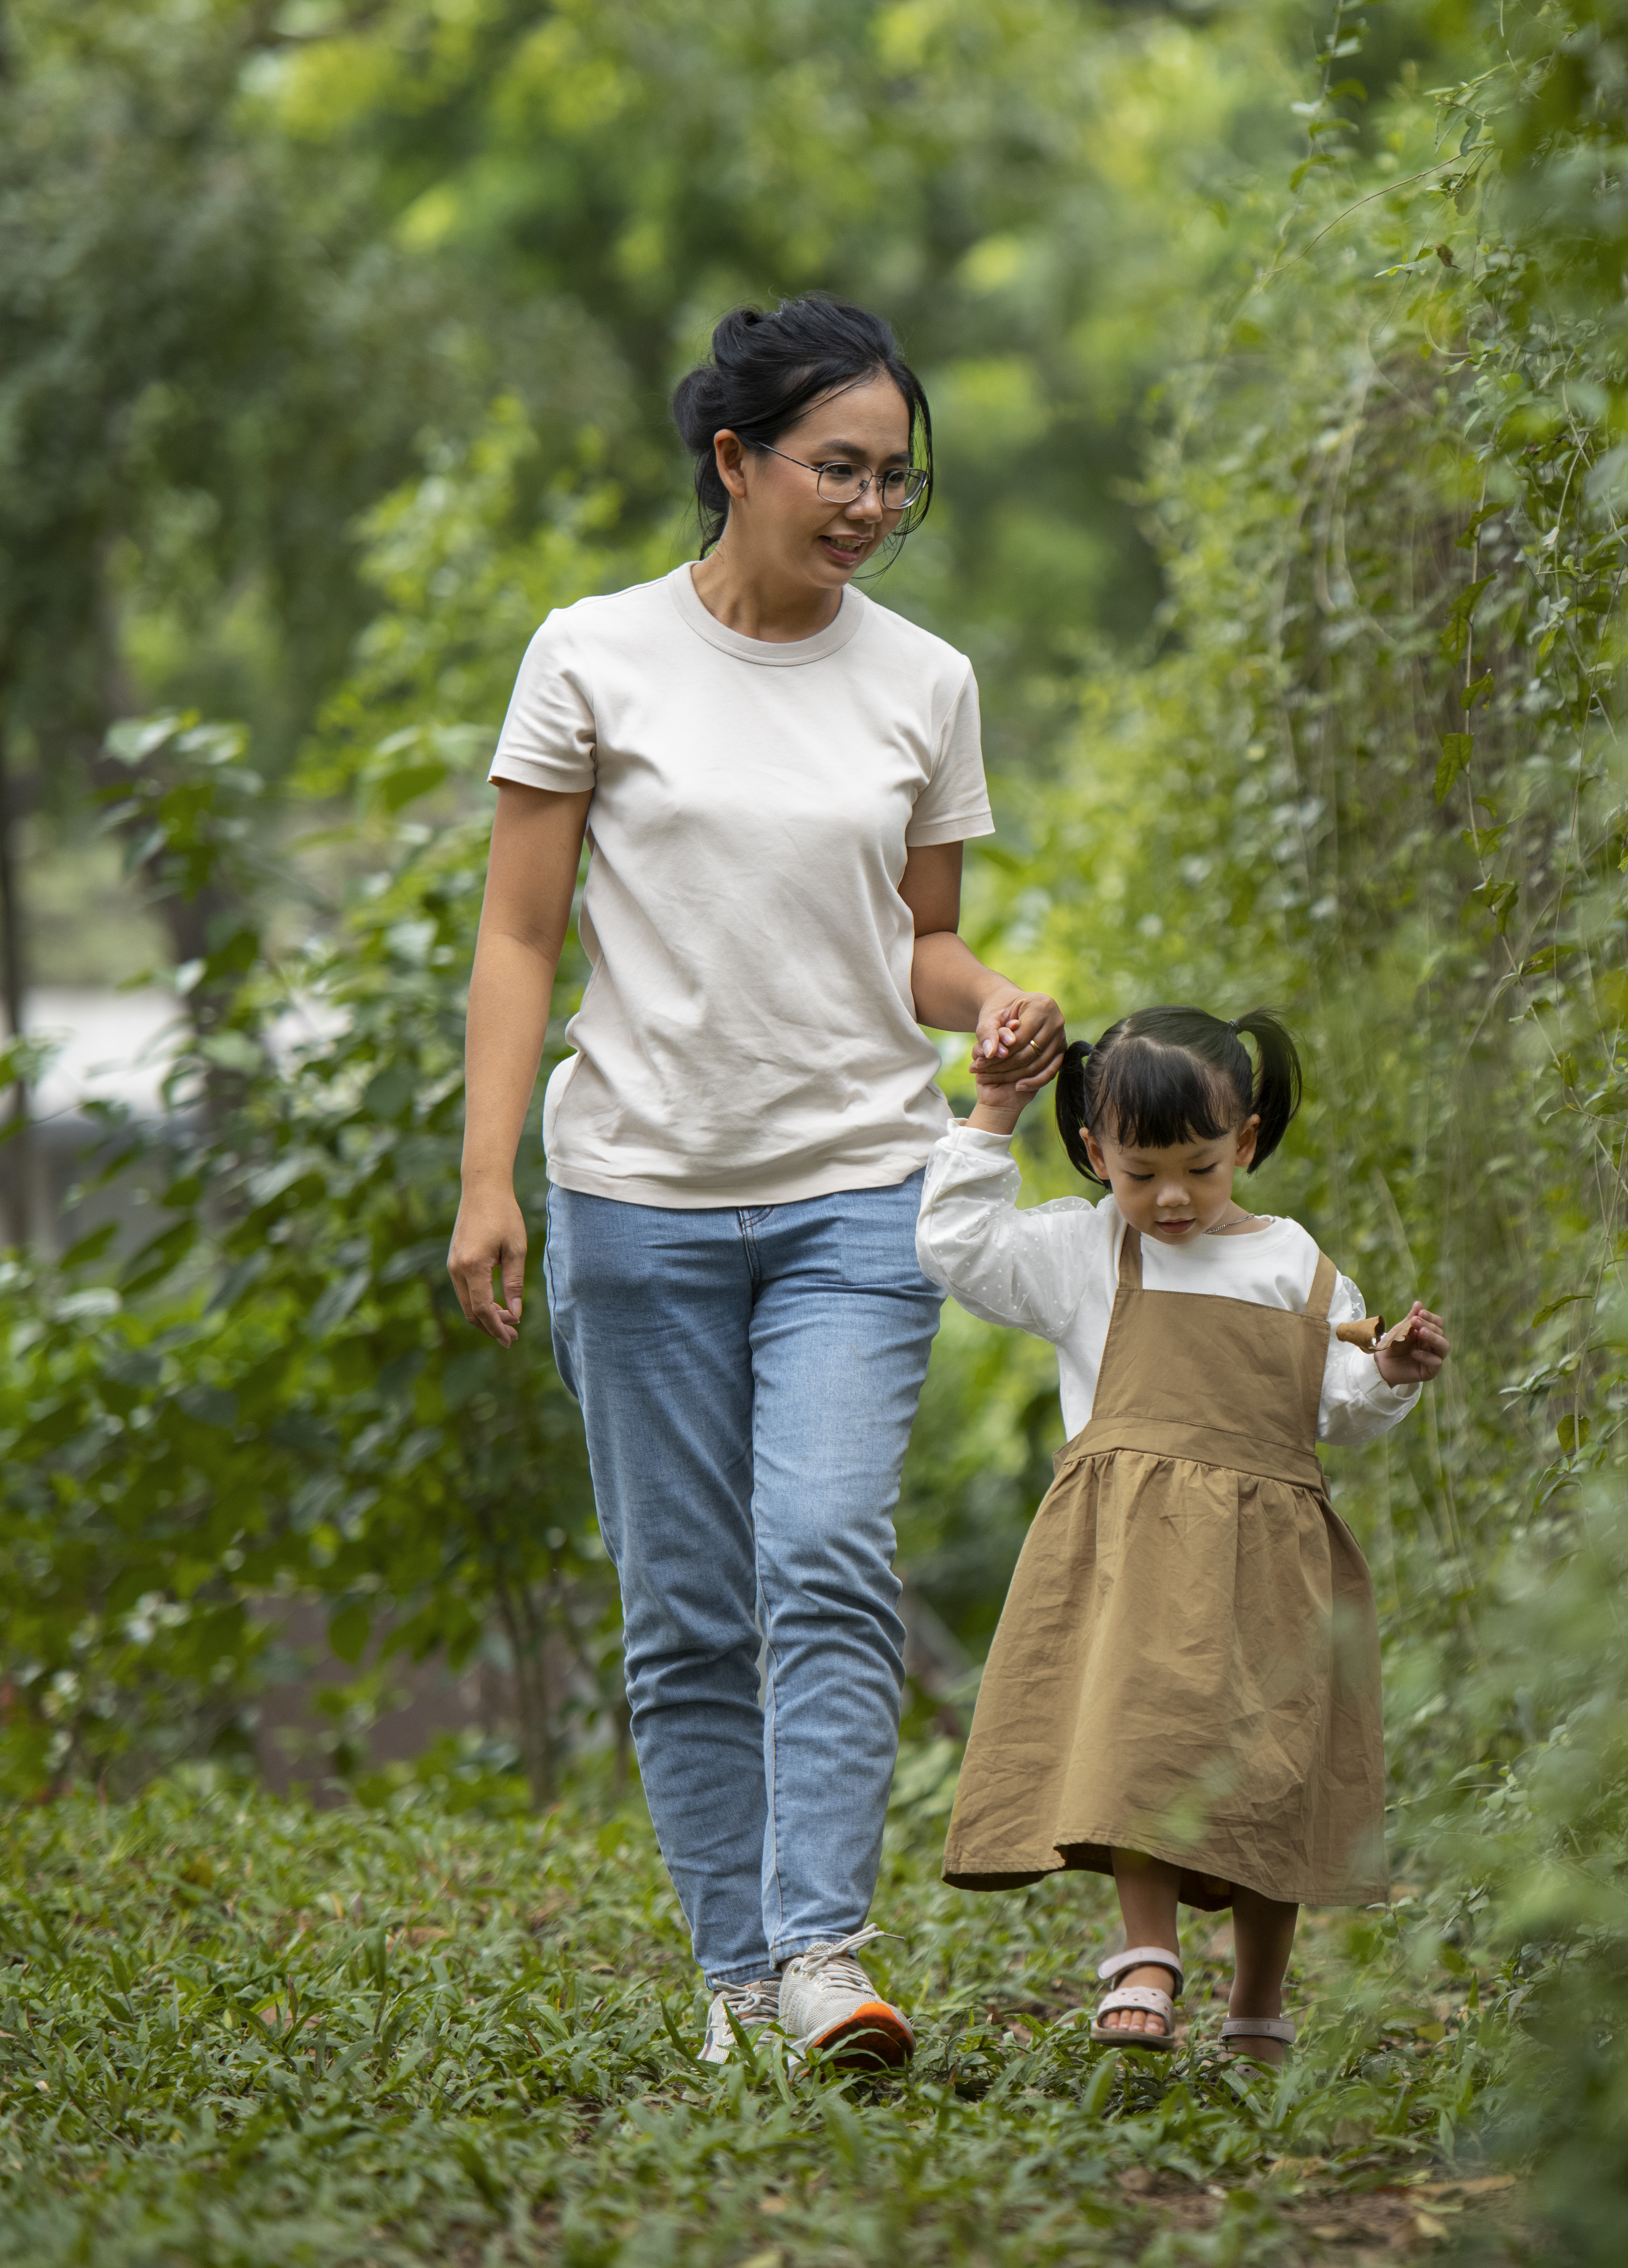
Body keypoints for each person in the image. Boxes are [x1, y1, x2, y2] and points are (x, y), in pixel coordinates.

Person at [444, 293, 1063, 2070]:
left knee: (823, 1550)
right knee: (693, 1601)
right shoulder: (592, 655)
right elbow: (515, 934)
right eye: (839, 469)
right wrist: (489, 1181)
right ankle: (735, 1978)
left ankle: (819, 1955)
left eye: (896, 480)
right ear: (735, 460)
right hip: (633, 1193)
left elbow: (925, 943)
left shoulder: (923, 681)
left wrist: (995, 1004)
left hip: (859, 1190)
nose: (871, 508)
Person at [913, 1006, 1448, 2062]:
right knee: (1139, 1747)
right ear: (1092, 1153)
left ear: (1244, 1142)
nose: (1170, 1198)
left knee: (1270, 1769)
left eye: (1200, 1169)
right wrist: (988, 1117)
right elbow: (959, 1247)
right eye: (1139, 1171)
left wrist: (1387, 1372)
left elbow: (1336, 1407)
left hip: (1274, 1563)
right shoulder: (1084, 1251)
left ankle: (1258, 2005)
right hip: (1132, 1561)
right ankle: (1145, 1957)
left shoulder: (1296, 1265)